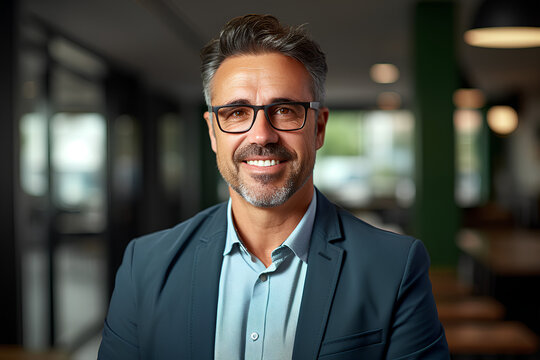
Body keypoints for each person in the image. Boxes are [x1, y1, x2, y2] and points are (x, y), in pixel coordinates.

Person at [98, 14, 449, 360]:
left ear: (319, 128)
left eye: (284, 110)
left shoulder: (394, 268)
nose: (262, 134)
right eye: (236, 113)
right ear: (212, 132)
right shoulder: (144, 266)